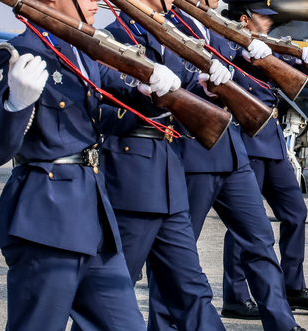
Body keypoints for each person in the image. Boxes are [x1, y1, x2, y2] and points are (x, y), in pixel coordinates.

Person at [0, 0, 181, 329]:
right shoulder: (16, 53)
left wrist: (149, 92)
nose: (93, 3)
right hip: (47, 220)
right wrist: (15, 105)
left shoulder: (83, 51)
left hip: (94, 216)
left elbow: (105, 115)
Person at [144, 0, 306, 330]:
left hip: (232, 153)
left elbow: (241, 69)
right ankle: (164, 326)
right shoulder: (163, 25)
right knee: (177, 255)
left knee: (260, 241)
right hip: (192, 154)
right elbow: (159, 85)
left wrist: (265, 56)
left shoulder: (213, 26)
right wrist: (197, 83)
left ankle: (281, 324)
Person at [83, 0, 234, 330]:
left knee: (192, 289)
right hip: (134, 178)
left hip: (170, 175)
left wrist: (209, 90)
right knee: (115, 290)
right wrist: (146, 98)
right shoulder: (113, 38)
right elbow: (97, 111)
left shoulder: (168, 34)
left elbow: (184, 89)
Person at [221, 0, 308, 318]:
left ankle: (293, 286)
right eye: (263, 18)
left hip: (271, 141)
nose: (269, 23)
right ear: (244, 19)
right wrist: (251, 53)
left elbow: (283, 65)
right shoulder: (230, 45)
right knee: (246, 222)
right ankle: (236, 295)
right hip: (246, 138)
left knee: (295, 212)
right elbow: (240, 63)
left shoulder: (262, 46)